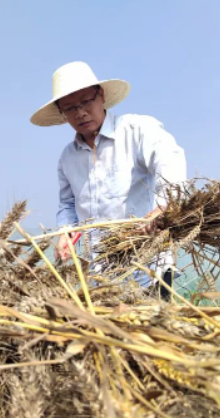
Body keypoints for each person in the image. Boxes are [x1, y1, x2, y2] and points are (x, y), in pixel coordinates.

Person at [30, 61, 187, 298]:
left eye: (85, 102)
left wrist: (164, 206)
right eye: (70, 108)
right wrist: (66, 231)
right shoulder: (67, 157)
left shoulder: (135, 130)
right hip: (101, 276)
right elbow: (67, 204)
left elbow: (169, 159)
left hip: (148, 267)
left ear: (100, 95)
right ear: (62, 113)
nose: (80, 113)